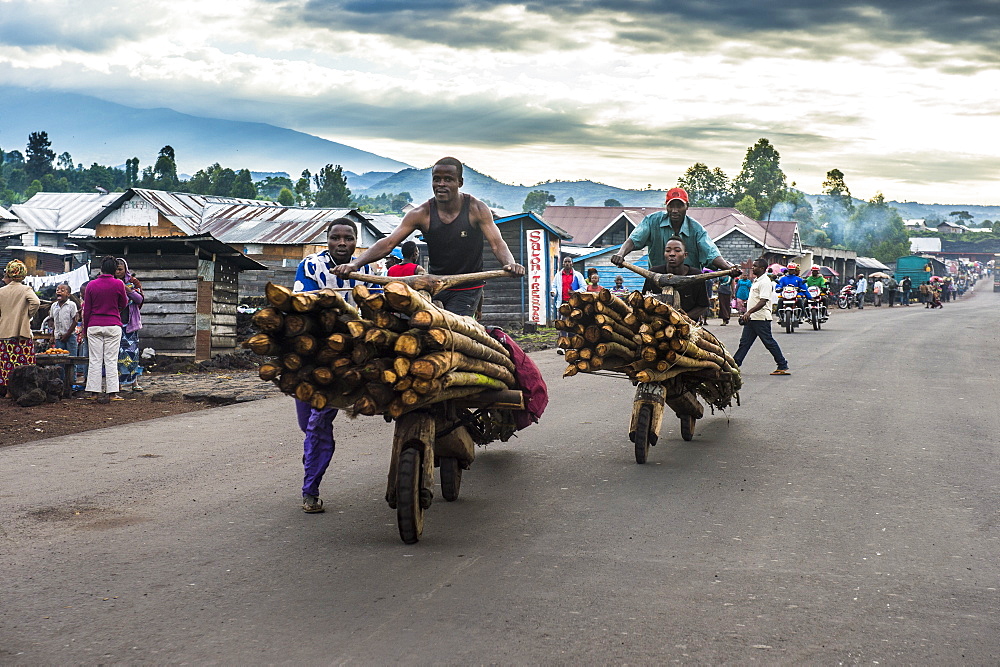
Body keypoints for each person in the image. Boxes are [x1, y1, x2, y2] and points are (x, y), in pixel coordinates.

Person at [332, 157, 524, 316]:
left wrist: (510, 263)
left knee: (456, 331)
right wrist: (354, 265)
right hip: (436, 284)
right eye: (436, 179)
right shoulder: (421, 213)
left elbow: (497, 244)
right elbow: (389, 243)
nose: (441, 184)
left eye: (448, 179)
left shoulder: (476, 209)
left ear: (460, 182)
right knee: (427, 328)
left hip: (468, 286)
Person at [293, 218, 378, 513]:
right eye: (336, 237)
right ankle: (312, 459)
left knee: (319, 423)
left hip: (343, 361)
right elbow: (302, 301)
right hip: (310, 353)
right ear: (327, 239)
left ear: (356, 242)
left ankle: (310, 490)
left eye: (348, 238)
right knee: (307, 424)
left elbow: (376, 307)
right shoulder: (311, 265)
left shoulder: (366, 269)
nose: (342, 243)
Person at [610, 187, 734, 273]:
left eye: (679, 206)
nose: (675, 210)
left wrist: (728, 268)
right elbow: (634, 239)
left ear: (687, 206)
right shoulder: (652, 221)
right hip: (658, 279)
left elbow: (710, 253)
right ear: (666, 206)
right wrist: (621, 254)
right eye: (671, 206)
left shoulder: (696, 229)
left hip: (689, 282)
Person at [83, 256, 129, 403]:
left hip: (94, 325)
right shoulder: (118, 284)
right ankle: (112, 394)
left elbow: (87, 310)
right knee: (111, 360)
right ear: (114, 270)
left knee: (95, 360)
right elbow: (124, 303)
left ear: (101, 269)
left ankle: (94, 393)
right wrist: (114, 310)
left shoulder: (91, 285)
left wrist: (85, 330)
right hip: (113, 325)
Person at [733, 257, 790, 376]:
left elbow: (763, 301)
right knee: (744, 343)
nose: (752, 268)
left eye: (755, 266)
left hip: (760, 318)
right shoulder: (757, 280)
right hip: (752, 318)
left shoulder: (765, 282)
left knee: (768, 342)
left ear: (762, 268)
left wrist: (749, 312)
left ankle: (782, 365)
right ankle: (734, 365)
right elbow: (756, 298)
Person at [641, 237, 711, 322]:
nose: (672, 254)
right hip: (658, 324)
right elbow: (644, 301)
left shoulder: (696, 276)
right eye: (668, 250)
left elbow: (703, 305)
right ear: (664, 254)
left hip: (687, 325)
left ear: (685, 255)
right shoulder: (654, 274)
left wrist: (683, 319)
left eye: (677, 250)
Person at [0, 260, 41, 396]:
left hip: (4, 331)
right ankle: (23, 390)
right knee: (23, 363)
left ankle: (8, 392)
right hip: (21, 332)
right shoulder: (25, 289)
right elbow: (36, 302)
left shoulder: (2, 291)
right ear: (23, 274)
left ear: (9, 273)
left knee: (7, 363)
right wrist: (27, 315)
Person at [114, 258, 145, 392]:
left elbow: (140, 299)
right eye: (116, 269)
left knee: (132, 354)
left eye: (120, 269)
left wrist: (127, 290)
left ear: (125, 269)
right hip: (115, 324)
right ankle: (118, 384)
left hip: (130, 325)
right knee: (116, 355)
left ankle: (134, 382)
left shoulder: (133, 282)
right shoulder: (112, 283)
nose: (118, 272)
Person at [41, 283, 79, 381]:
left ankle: (72, 383)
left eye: (62, 290)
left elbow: (75, 320)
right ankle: (60, 383)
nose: (59, 291)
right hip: (59, 337)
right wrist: (53, 335)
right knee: (59, 362)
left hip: (70, 337)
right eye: (58, 290)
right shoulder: (54, 306)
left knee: (71, 360)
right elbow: (53, 321)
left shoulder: (71, 305)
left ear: (68, 294)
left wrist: (67, 334)